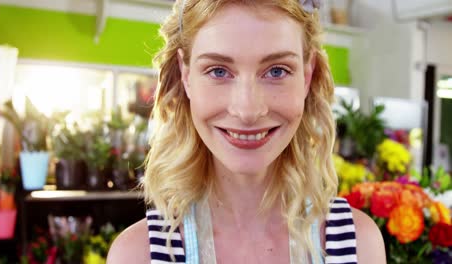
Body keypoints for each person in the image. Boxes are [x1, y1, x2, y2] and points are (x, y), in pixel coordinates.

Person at [107, 0, 386, 263]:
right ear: (186, 74)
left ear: (307, 75)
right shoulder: (137, 254)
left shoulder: (360, 245)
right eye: (218, 71)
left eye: (276, 71)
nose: (248, 110)